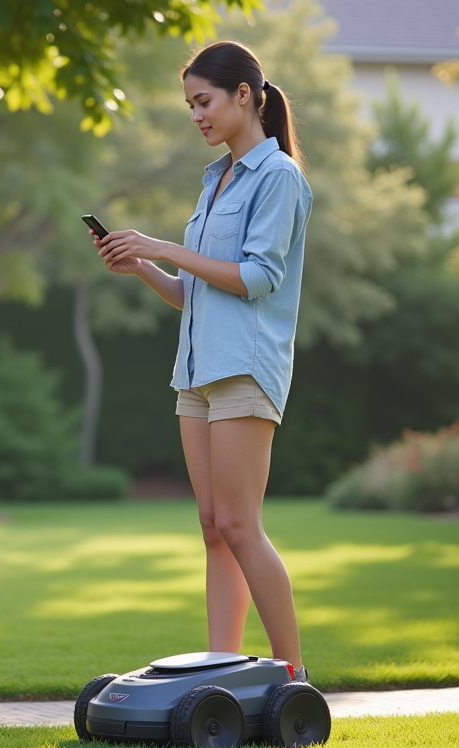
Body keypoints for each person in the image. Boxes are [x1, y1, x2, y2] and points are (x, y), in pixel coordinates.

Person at [93, 41, 313, 682]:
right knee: (213, 525)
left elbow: (256, 279)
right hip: (196, 372)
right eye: (190, 103)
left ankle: (292, 677)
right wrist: (143, 268)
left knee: (242, 524)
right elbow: (196, 294)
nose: (196, 115)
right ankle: (222, 667)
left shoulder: (279, 178)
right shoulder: (215, 180)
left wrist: (164, 243)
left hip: (246, 367)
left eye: (204, 100)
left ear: (245, 95)